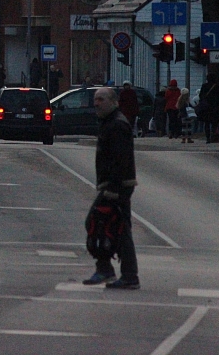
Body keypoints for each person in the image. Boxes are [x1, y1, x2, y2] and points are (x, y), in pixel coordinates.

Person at [83, 87, 140, 289]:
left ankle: (125, 274)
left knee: (110, 226)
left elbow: (121, 159)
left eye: (101, 99)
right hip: (112, 185)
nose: (96, 103)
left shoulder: (117, 125)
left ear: (114, 102)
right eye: (95, 99)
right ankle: (108, 269)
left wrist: (113, 189)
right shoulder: (109, 122)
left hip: (118, 186)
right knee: (107, 226)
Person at [199, 72, 219, 143]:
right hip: (215, 108)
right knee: (214, 123)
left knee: (206, 123)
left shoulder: (204, 86)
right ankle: (213, 136)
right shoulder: (217, 87)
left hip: (206, 108)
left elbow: (201, 96)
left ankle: (207, 138)